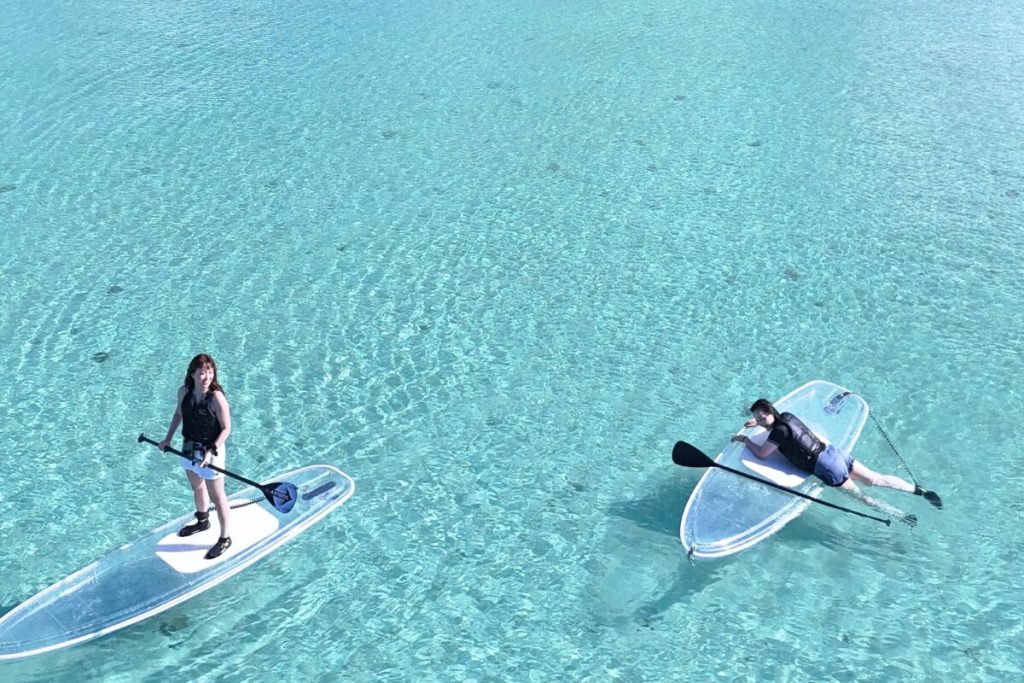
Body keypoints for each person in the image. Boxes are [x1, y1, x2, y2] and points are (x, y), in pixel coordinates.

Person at [732, 398, 942, 527]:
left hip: (826, 467)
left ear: (770, 413)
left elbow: (762, 453)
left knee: (863, 498)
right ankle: (919, 491)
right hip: (834, 454)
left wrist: (745, 439)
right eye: (757, 419)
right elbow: (781, 429)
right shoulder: (786, 416)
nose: (759, 422)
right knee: (875, 479)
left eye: (761, 418)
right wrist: (760, 424)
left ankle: (900, 516)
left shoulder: (778, 432)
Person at [158, 354, 233, 559]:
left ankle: (225, 538)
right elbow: (178, 415)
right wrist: (167, 439)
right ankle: (203, 521)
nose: (207, 376)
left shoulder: (217, 397)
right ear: (192, 374)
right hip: (189, 445)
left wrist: (211, 451)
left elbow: (226, 428)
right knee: (197, 487)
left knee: (218, 497)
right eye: (202, 372)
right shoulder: (184, 392)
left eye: (210, 372)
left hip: (212, 449)